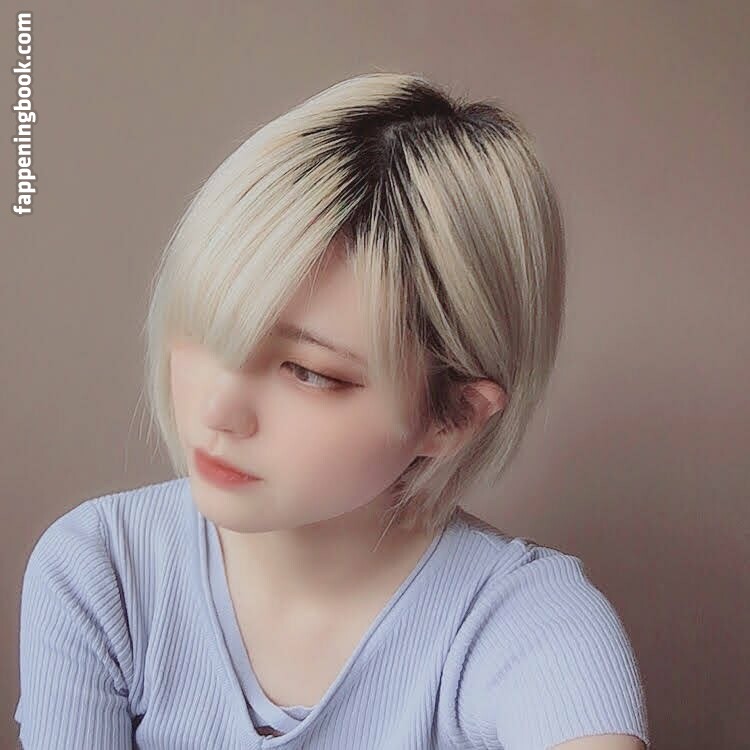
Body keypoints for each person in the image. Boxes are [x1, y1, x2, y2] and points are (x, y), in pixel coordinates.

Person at [15, 71, 650, 749]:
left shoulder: (526, 623)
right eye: (207, 328)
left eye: (308, 372)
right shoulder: (102, 570)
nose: (218, 409)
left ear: (452, 416)